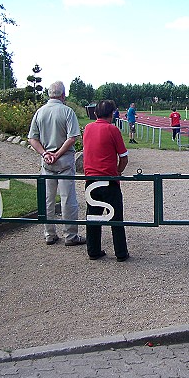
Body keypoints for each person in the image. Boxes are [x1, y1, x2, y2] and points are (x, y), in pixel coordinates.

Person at [28, 81, 85, 246]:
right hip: (65, 159)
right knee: (68, 199)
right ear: (63, 94)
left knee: (48, 199)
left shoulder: (40, 112)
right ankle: (70, 235)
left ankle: (49, 234)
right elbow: (72, 137)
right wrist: (58, 153)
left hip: (47, 161)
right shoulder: (67, 111)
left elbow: (33, 138)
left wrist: (45, 153)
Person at [82, 99, 130, 262]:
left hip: (91, 180)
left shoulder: (88, 128)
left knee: (93, 216)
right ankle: (121, 253)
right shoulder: (112, 130)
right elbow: (124, 158)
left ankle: (93, 250)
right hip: (109, 180)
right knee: (116, 217)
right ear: (112, 114)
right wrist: (118, 172)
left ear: (95, 113)